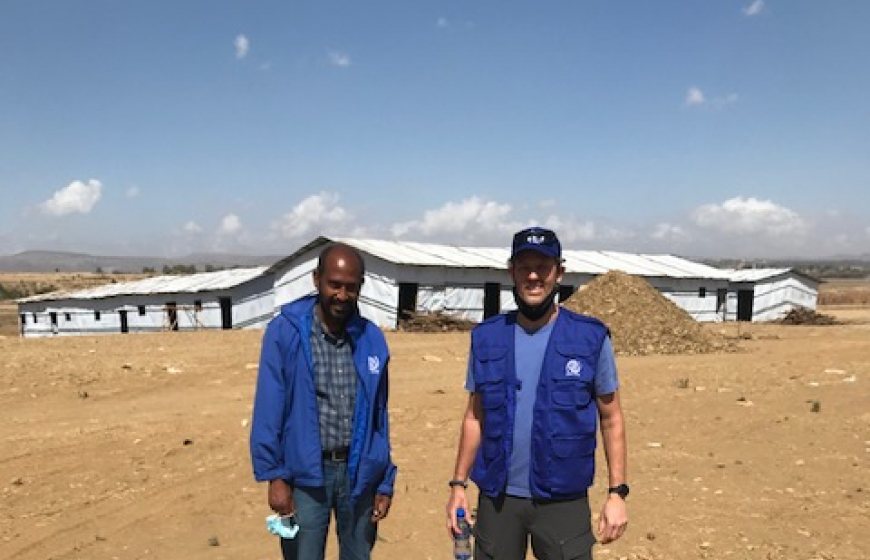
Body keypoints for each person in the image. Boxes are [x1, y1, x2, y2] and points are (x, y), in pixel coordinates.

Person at [445, 227, 629, 560]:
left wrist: (617, 493)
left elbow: (611, 418)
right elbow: (475, 416)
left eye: (543, 267)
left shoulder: (590, 338)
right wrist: (458, 485)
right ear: (511, 272)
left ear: (559, 272)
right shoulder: (487, 338)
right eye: (524, 267)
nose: (533, 276)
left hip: (563, 498)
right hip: (499, 500)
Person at [250, 243, 397, 560]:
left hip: (359, 475)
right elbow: (269, 407)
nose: (342, 295)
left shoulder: (371, 339)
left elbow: (379, 416)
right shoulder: (285, 333)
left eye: (351, 287)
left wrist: (384, 481)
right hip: (305, 474)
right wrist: (275, 475)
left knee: (358, 554)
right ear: (317, 280)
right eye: (335, 284)